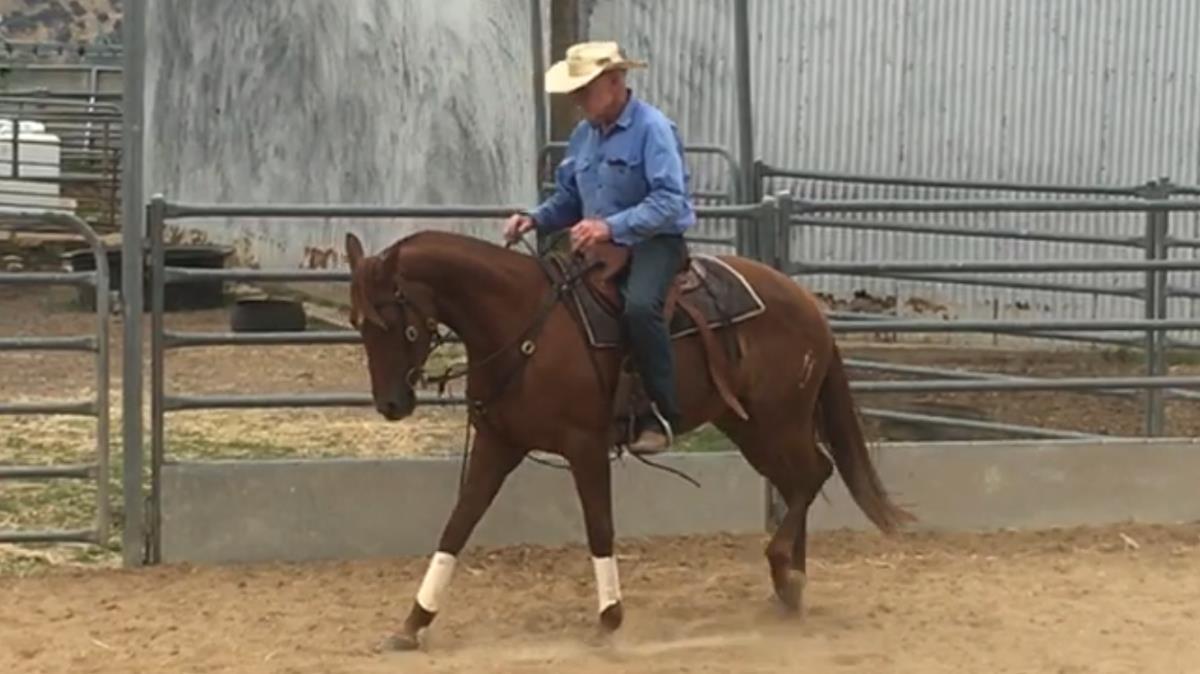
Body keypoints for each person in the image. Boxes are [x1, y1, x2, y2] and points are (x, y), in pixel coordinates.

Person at [504, 40, 695, 454]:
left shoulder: (653, 129)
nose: (577, 100)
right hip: (599, 246)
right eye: (575, 91)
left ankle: (659, 412)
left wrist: (610, 227)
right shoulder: (583, 136)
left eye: (584, 89)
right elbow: (569, 199)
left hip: (654, 241)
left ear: (615, 81)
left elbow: (669, 200)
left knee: (640, 307)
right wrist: (534, 218)